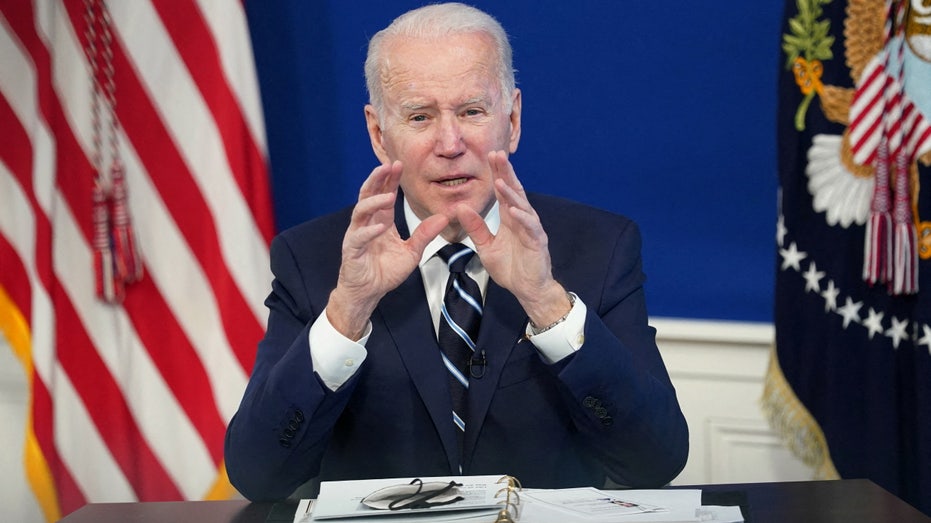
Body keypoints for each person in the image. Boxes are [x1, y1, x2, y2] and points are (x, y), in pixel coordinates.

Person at [224, 2, 688, 502]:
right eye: (420, 116)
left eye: (471, 111)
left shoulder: (599, 246)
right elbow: (258, 476)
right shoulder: (313, 258)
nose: (450, 143)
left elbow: (655, 462)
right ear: (380, 135)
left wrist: (547, 303)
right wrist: (348, 310)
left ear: (511, 119)